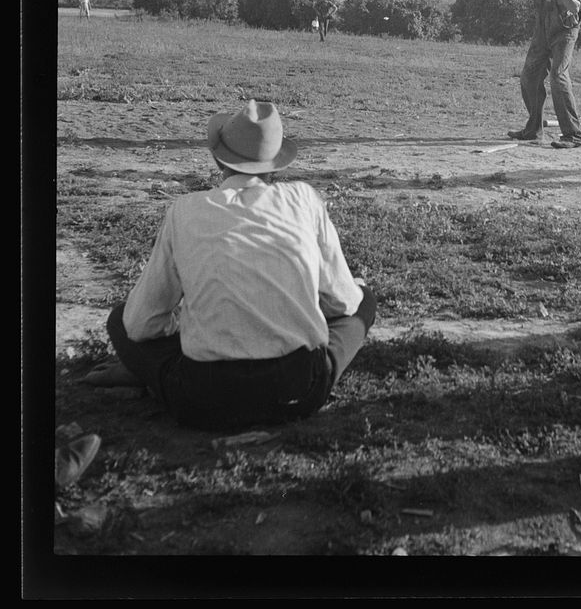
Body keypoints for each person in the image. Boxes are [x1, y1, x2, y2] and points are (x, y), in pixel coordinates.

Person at [100, 99, 376, 432]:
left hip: (205, 400)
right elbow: (343, 303)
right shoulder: (304, 199)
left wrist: (183, 325)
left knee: (120, 319)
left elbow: (140, 323)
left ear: (218, 159)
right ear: (275, 165)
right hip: (297, 391)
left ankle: (151, 373)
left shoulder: (184, 210)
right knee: (364, 302)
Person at [506, 0, 581, 149]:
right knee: (529, 77)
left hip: (564, 29)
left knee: (558, 77)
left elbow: (575, 6)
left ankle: (573, 135)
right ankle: (533, 130)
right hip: (542, 28)